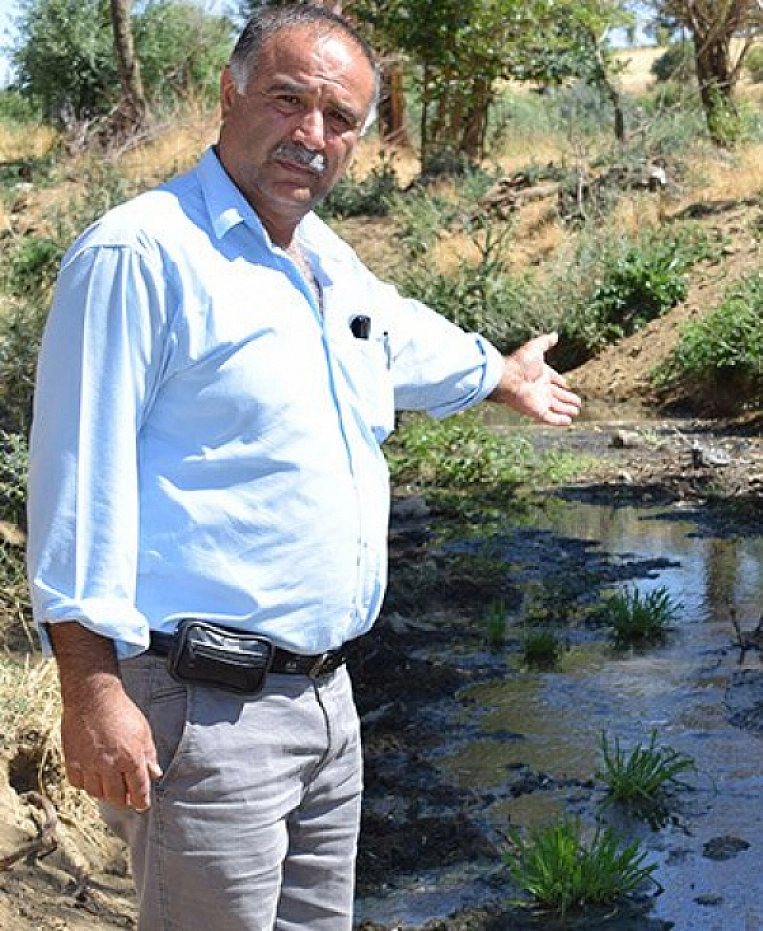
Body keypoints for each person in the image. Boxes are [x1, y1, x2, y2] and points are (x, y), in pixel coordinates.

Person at [24, 6, 581, 929]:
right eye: (289, 101)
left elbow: (402, 338)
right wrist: (89, 691)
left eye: (340, 120)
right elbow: (75, 480)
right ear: (228, 95)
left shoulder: (324, 261)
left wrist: (500, 375)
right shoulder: (143, 255)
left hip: (327, 702)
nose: (311, 136)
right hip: (202, 711)